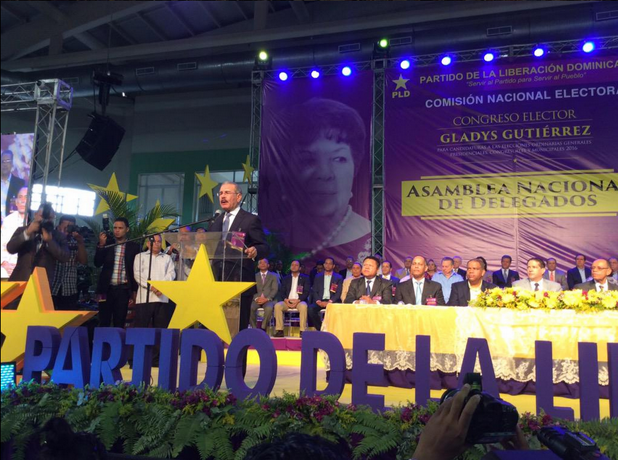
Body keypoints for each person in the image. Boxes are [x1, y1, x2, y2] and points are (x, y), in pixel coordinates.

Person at [262, 98, 371, 263]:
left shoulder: (370, 235)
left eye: (338, 159)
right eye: (308, 160)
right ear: (284, 169)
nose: (325, 173)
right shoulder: (271, 235)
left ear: (355, 166)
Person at [208, 181, 269, 331]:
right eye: (221, 193)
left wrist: (255, 250)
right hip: (216, 282)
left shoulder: (250, 219)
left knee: (237, 329)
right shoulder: (215, 221)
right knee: (215, 328)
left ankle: (238, 348)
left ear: (239, 197)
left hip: (239, 281)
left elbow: (264, 247)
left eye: (227, 193)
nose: (222, 196)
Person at [7, 203, 69, 287]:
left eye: (50, 218)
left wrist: (50, 241)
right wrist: (27, 233)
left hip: (42, 285)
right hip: (19, 281)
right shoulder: (22, 230)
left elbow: (65, 257)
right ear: (35, 215)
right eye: (42, 216)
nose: (45, 220)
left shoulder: (58, 236)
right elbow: (10, 248)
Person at [94, 216, 140, 328]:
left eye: (120, 228)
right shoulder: (107, 244)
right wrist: (101, 245)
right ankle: (102, 339)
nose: (117, 230)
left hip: (123, 289)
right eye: (115, 228)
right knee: (103, 320)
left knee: (119, 321)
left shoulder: (134, 247)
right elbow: (97, 263)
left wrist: (134, 290)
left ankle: (117, 339)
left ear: (127, 229)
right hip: (106, 289)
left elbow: (135, 270)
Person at [132, 234, 176, 329]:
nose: (156, 244)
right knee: (141, 328)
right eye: (154, 241)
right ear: (148, 244)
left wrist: (161, 287)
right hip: (144, 298)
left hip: (162, 298)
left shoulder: (167, 258)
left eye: (159, 242)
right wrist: (152, 287)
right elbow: (137, 274)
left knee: (161, 328)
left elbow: (171, 274)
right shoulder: (140, 256)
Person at [51, 215, 88, 311]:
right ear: (58, 226)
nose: (67, 230)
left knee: (67, 318)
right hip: (51, 285)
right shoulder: (51, 239)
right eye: (65, 226)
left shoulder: (75, 242)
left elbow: (83, 261)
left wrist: (80, 243)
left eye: (70, 227)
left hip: (69, 287)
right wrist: (61, 237)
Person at [273, 260, 310, 337]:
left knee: (304, 306)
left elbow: (306, 292)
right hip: (287, 301)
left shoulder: (305, 278)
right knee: (277, 306)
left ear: (300, 268)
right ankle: (280, 330)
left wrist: (298, 301)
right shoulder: (286, 278)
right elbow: (282, 291)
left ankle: (302, 331)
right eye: (292, 265)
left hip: (299, 301)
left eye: (296, 265)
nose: (294, 266)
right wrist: (286, 300)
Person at [307, 257, 343, 331]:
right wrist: (318, 301)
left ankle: (333, 329)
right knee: (310, 309)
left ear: (333, 266)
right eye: (326, 263)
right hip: (320, 300)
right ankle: (321, 329)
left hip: (332, 301)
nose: (328, 265)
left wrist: (329, 302)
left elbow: (338, 292)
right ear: (324, 265)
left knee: (337, 310)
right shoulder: (318, 276)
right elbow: (314, 290)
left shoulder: (338, 277)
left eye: (330, 264)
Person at [1, 186, 28, 278]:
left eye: (26, 197)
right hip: (7, 267)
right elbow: (2, 244)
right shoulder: (8, 220)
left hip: (25, 268)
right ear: (16, 202)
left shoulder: (34, 222)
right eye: (20, 197)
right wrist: (4, 263)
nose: (22, 201)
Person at [249, 258, 279, 332]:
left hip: (268, 300)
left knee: (269, 308)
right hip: (257, 300)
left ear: (268, 265)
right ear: (258, 266)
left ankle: (263, 327)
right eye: (260, 263)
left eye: (264, 262)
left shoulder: (273, 276)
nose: (262, 264)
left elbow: (274, 289)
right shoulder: (254, 276)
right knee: (250, 308)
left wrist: (267, 299)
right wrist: (256, 298)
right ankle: (254, 329)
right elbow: (251, 289)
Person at [1, 149, 26, 221]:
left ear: (12, 164)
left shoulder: (20, 184)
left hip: (11, 223)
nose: (5, 164)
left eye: (8, 161)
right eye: (3, 161)